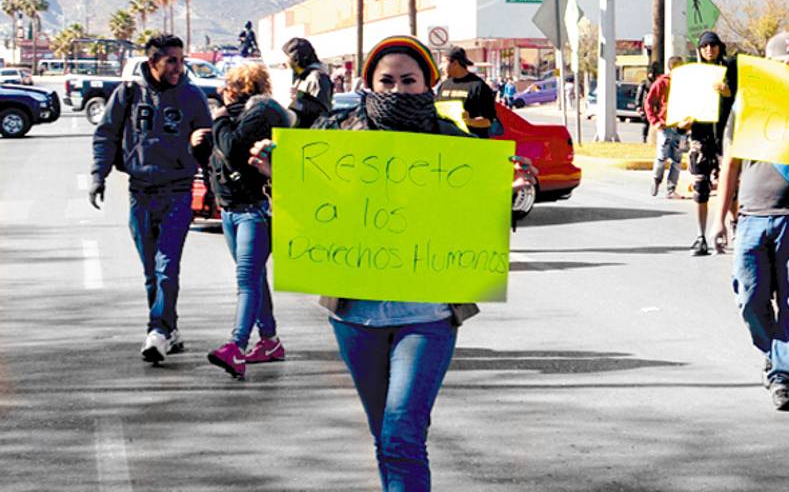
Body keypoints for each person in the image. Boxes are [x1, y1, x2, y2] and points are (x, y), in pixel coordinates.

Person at [247, 35, 533, 491]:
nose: (398, 89)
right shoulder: (335, 139)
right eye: (387, 80)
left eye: (408, 79)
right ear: (369, 83)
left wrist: (511, 192)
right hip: (356, 315)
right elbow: (308, 214)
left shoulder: (454, 143)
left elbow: (483, 219)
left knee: (402, 434)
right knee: (387, 436)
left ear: (427, 84)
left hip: (429, 316)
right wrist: (277, 178)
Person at [89, 34, 212, 363]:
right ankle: (169, 330)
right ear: (151, 62)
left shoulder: (192, 96)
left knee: (166, 267)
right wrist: (97, 176)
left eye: (181, 60)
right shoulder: (128, 94)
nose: (178, 67)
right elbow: (106, 135)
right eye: (171, 60)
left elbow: (210, 148)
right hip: (140, 193)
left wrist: (202, 145)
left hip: (178, 192)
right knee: (150, 272)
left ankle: (156, 329)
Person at [712, 32, 789, 411]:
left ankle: (782, 375)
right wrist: (720, 218)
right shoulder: (747, 105)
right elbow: (731, 163)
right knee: (750, 298)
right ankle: (775, 353)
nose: (788, 67)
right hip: (752, 216)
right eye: (780, 62)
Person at [205, 63, 295, 379]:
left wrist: (218, 122)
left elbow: (231, 149)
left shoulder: (259, 114)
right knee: (254, 279)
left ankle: (236, 345)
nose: (220, 91)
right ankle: (269, 341)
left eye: (226, 86)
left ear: (239, 87)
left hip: (254, 210)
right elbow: (218, 156)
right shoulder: (239, 115)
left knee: (246, 278)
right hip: (232, 208)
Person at [685, 30, 735, 256]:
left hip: (726, 136)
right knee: (700, 186)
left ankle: (735, 229)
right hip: (700, 138)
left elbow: (744, 99)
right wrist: (682, 124)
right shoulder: (692, 74)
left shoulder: (731, 70)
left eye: (713, 45)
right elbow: (680, 107)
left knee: (732, 186)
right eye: (705, 46)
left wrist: (728, 93)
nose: (709, 50)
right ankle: (700, 236)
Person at [644, 56, 686, 198]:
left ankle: (671, 189)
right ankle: (656, 179)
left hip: (681, 128)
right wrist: (655, 121)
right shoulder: (662, 83)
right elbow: (649, 102)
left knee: (677, 159)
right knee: (662, 157)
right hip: (665, 126)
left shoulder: (686, 84)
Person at [436, 46, 498, 138]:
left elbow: (488, 121)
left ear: (455, 63)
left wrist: (469, 121)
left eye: (444, 62)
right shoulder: (444, 86)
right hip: (446, 142)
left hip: (470, 144)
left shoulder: (478, 86)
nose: (442, 66)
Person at [283, 37, 333, 129]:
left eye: (286, 57)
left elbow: (322, 113)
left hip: (311, 135)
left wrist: (297, 104)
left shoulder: (317, 77)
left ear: (295, 58)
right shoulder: (300, 77)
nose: (284, 62)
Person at [635, 66, 656, 143]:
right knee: (646, 124)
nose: (652, 75)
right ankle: (644, 138)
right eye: (651, 73)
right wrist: (638, 106)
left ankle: (652, 139)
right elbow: (639, 96)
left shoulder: (656, 83)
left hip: (654, 106)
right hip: (645, 107)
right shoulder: (644, 84)